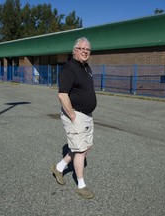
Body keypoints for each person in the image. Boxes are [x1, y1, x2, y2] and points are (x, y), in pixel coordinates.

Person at [51, 37, 97, 199]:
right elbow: (62, 95)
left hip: (86, 115)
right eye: (82, 48)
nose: (85, 51)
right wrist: (72, 116)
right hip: (75, 115)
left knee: (84, 147)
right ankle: (81, 185)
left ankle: (59, 167)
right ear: (74, 50)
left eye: (88, 49)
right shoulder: (69, 68)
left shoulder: (86, 68)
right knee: (81, 150)